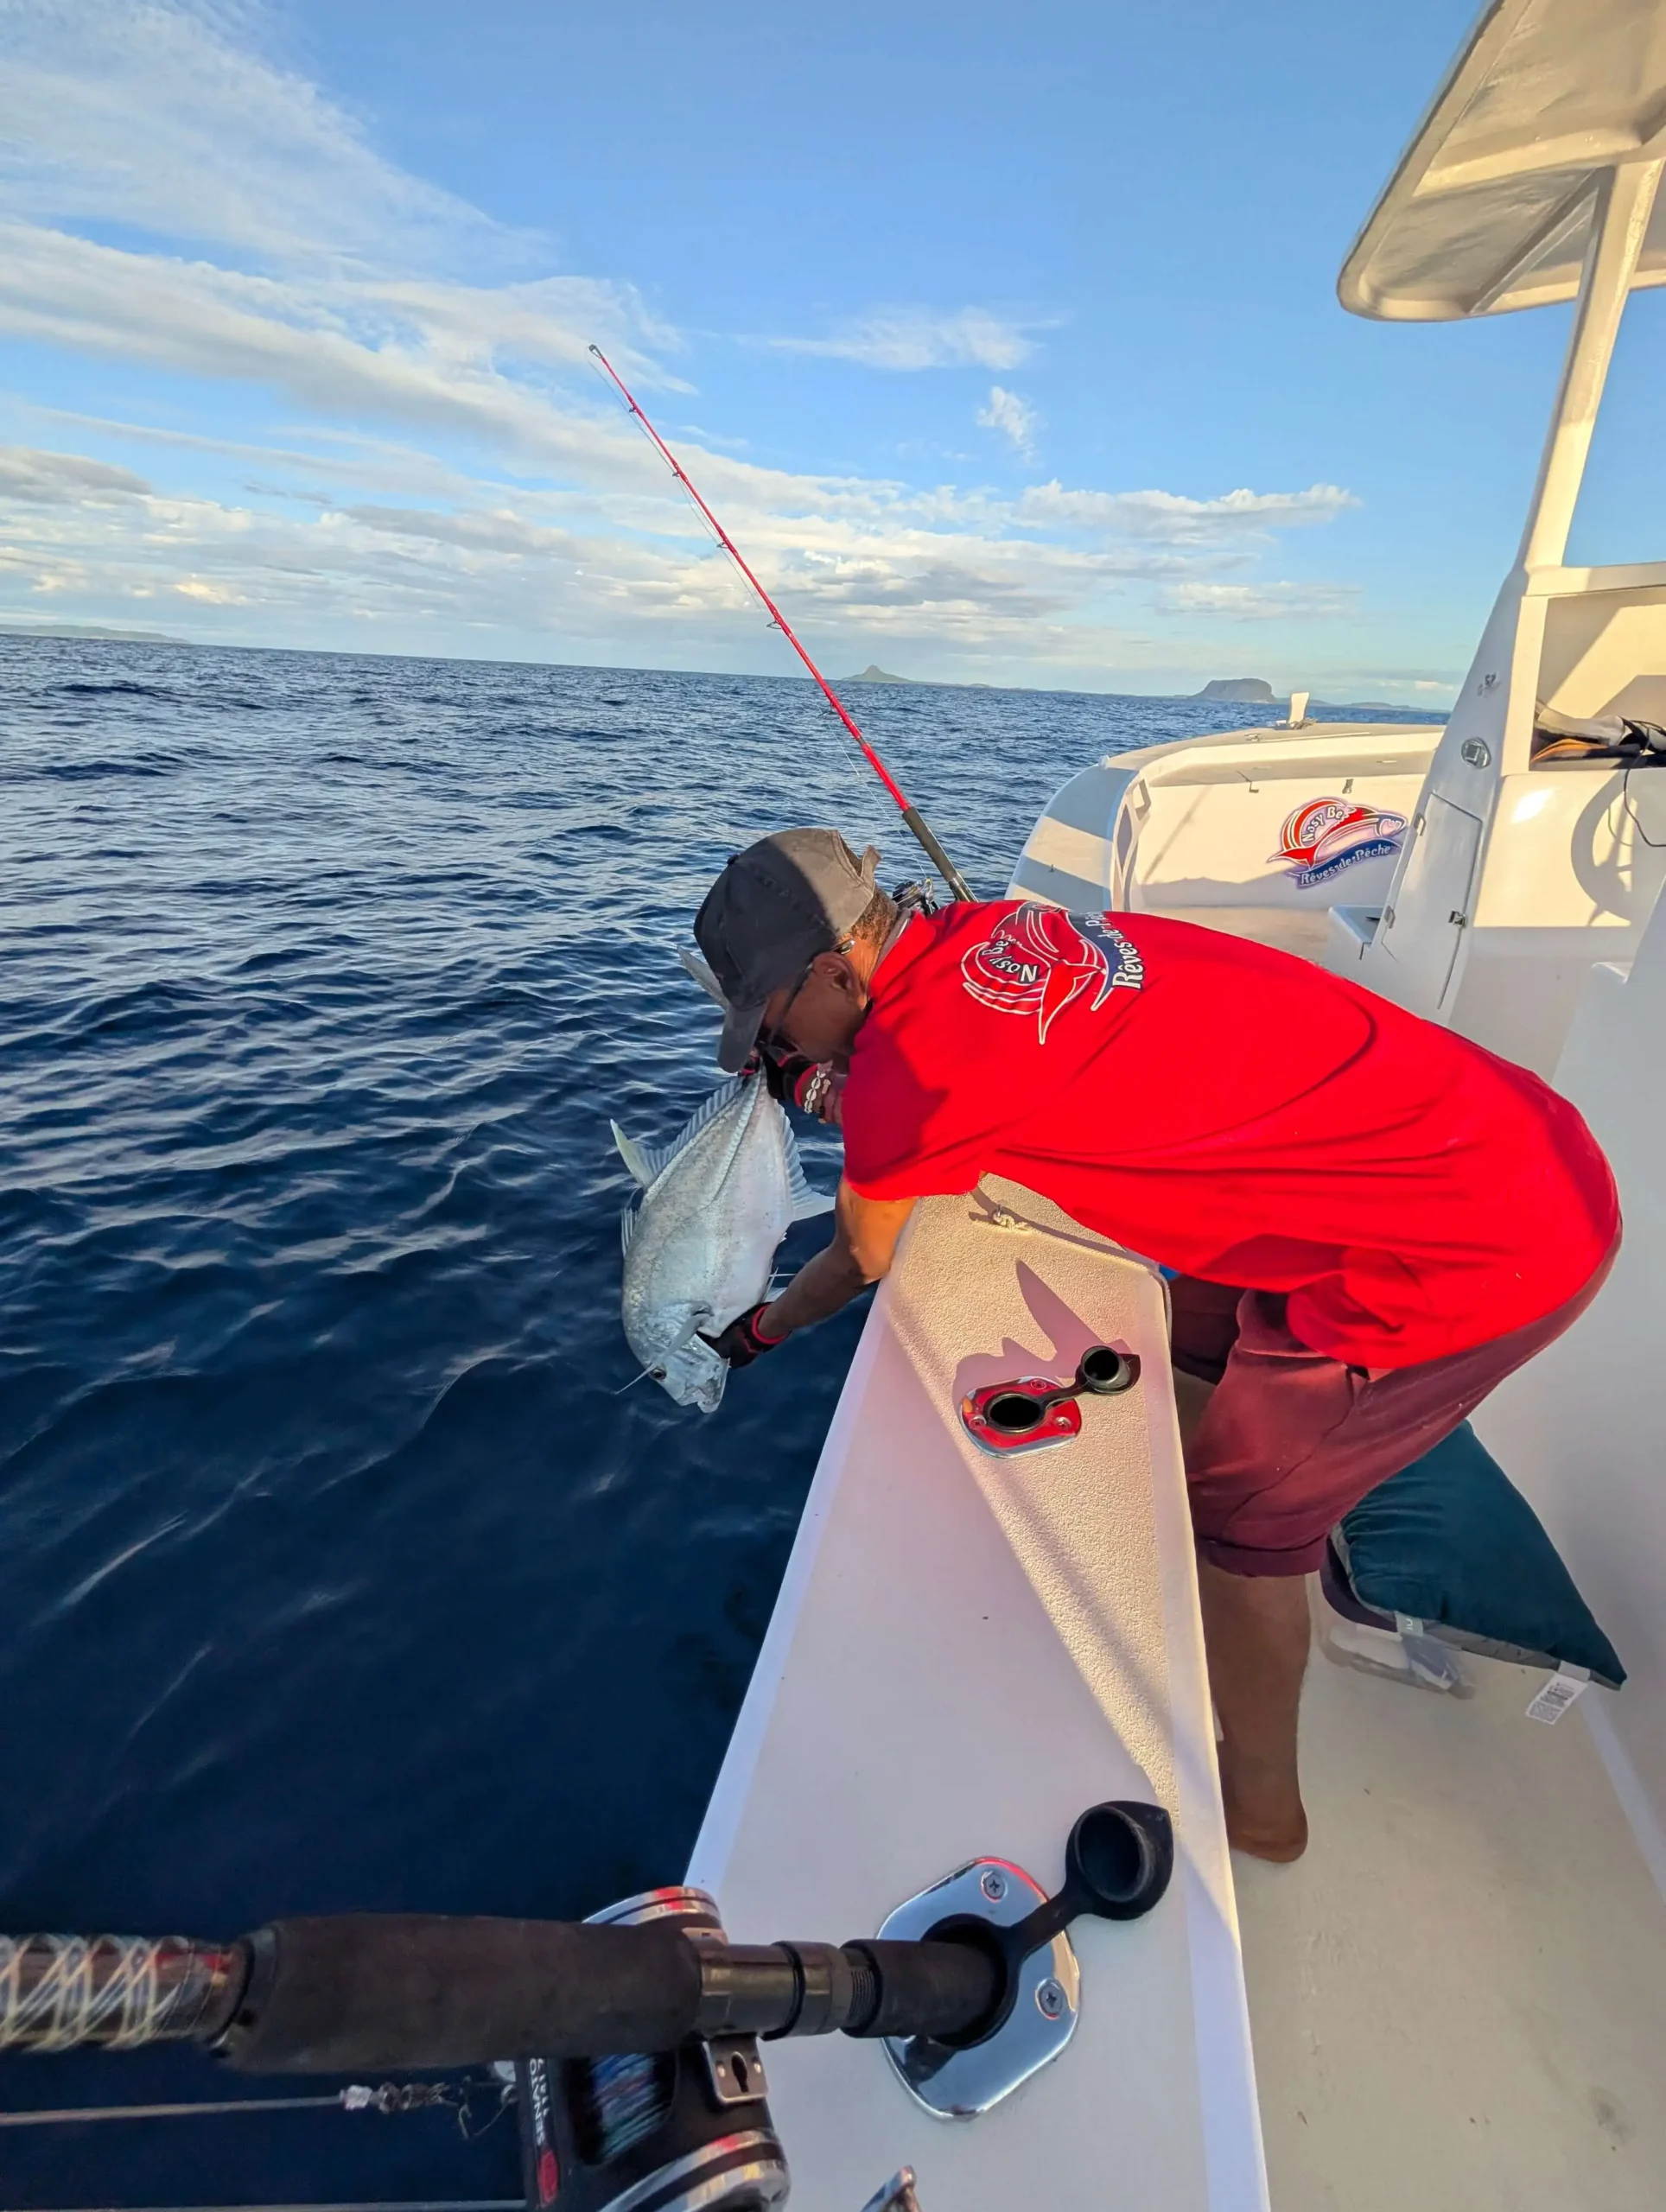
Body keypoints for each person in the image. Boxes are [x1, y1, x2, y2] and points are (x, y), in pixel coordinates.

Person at [690, 828, 1621, 1861]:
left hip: (1479, 1240)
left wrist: (757, 1330)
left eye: (773, 1024)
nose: (778, 1053)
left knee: (1243, 1528)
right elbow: (984, 1057)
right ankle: (1197, 1522)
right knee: (1199, 1331)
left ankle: (1265, 1812)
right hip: (1498, 1129)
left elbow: (858, 1256)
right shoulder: (993, 931)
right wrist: (841, 1083)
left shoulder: (908, 1067)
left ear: (830, 969)